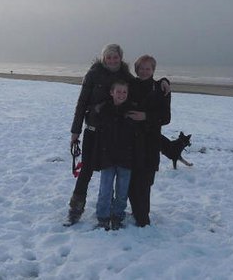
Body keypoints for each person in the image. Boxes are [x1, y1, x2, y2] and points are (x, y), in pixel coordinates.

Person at [66, 43, 134, 224]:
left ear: (120, 58)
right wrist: (75, 131)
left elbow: (141, 89)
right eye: (108, 57)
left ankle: (110, 207)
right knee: (86, 170)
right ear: (103, 58)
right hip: (93, 130)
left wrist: (163, 82)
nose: (112, 60)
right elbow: (81, 103)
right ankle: (76, 208)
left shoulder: (126, 76)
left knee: (111, 171)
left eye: (115, 57)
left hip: (114, 133)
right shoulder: (93, 74)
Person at [126, 54, 171, 227]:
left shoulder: (161, 88)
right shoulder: (130, 85)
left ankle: (143, 217)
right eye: (141, 68)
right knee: (131, 180)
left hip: (151, 141)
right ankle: (138, 212)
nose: (144, 71)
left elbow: (166, 118)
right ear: (136, 69)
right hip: (131, 140)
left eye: (148, 68)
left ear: (153, 70)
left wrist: (145, 116)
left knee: (146, 181)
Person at [91, 80, 137, 230]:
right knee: (105, 190)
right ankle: (102, 217)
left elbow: (136, 135)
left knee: (122, 191)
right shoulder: (104, 110)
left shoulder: (132, 111)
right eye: (118, 91)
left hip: (126, 158)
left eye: (124, 92)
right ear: (112, 92)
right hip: (107, 157)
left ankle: (118, 216)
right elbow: (95, 129)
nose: (121, 95)